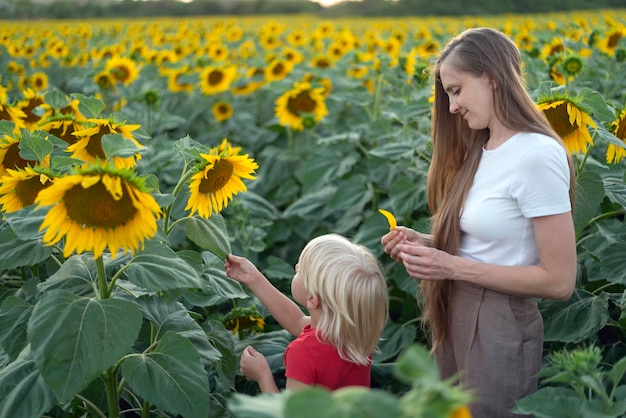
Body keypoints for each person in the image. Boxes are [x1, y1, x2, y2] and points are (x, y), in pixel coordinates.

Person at [381, 27, 577, 417]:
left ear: (491, 78)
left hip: (500, 322)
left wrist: (450, 266)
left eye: (456, 90)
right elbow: (489, 241)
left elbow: (559, 282)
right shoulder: (484, 148)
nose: (451, 106)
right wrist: (427, 242)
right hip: (456, 309)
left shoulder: (535, 155)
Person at [225, 233, 389, 393]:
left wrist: (262, 376)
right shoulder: (357, 334)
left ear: (312, 299)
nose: (296, 267)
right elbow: (296, 321)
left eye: (301, 270)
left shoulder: (303, 352)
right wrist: (254, 278)